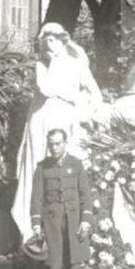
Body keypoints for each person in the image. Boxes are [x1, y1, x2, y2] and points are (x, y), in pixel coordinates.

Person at [10, 23, 102, 240]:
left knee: (66, 169)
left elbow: (95, 93)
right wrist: (67, 89)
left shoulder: (76, 64)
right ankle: (32, 229)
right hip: (41, 120)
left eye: (52, 41)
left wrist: (84, 111)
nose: (47, 46)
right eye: (44, 42)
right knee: (38, 168)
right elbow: (45, 88)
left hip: (65, 119)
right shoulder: (42, 65)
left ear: (62, 41)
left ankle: (67, 228)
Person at [28, 128, 93, 269]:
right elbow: (36, 197)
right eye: (51, 144)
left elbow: (85, 195)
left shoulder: (76, 165)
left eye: (58, 143)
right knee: (54, 266)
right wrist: (36, 224)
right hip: (52, 222)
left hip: (74, 222)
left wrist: (86, 220)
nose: (54, 148)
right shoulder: (42, 167)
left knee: (74, 264)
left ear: (65, 143)